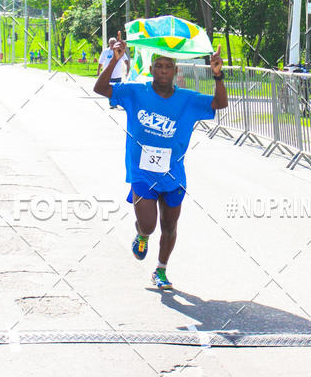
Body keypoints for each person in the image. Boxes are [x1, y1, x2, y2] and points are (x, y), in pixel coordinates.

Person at [94, 32, 227, 289]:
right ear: (152, 69)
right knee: (149, 224)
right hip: (142, 171)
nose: (164, 71)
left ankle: (161, 270)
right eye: (159, 66)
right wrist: (115, 59)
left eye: (169, 67)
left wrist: (217, 74)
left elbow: (219, 104)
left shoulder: (187, 99)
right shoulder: (135, 92)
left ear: (176, 71)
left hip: (174, 172)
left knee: (170, 225)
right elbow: (100, 88)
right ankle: (141, 235)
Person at [97, 36, 130, 109]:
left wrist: (127, 70)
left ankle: (117, 102)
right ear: (109, 43)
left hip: (117, 75)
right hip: (108, 75)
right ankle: (112, 103)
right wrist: (98, 71)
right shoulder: (105, 51)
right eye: (111, 43)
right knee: (108, 89)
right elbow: (101, 62)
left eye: (113, 43)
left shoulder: (119, 51)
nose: (112, 44)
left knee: (118, 90)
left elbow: (126, 61)